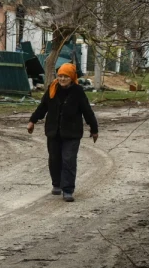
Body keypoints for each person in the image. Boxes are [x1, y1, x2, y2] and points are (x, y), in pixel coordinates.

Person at [27, 63, 99, 202]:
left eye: (66, 76)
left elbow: (87, 111)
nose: (62, 79)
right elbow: (42, 107)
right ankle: (57, 184)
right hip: (53, 132)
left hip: (72, 133)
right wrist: (32, 121)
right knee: (54, 159)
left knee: (68, 160)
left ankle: (68, 190)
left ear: (72, 77)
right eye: (60, 76)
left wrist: (94, 129)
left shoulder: (78, 91)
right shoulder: (52, 88)